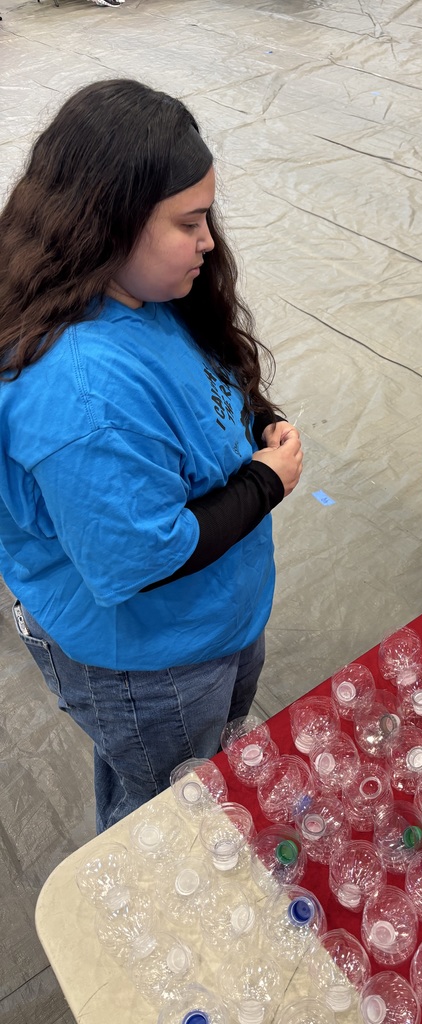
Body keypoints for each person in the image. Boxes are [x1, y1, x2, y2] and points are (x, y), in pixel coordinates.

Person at [0, 79, 303, 832]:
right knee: (162, 812)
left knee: (208, 769)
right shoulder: (81, 396)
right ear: (108, 222)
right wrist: (266, 483)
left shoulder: (144, 295)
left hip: (209, 625)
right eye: (188, 223)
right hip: (153, 665)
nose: (208, 241)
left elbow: (204, 385)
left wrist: (253, 419)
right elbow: (137, 558)